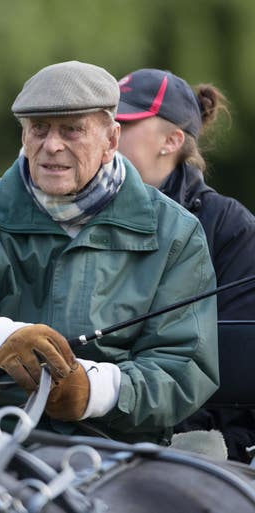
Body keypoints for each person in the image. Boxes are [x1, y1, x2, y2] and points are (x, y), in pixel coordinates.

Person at [0, 60, 219, 446]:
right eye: (39, 129)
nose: (52, 145)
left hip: (120, 445)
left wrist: (95, 392)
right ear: (24, 136)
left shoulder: (176, 233)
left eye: (71, 130)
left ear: (111, 141)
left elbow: (183, 367)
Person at [115, 68, 255, 461]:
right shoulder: (77, 212)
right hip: (88, 416)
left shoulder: (231, 227)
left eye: (123, 122)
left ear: (172, 140)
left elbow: (230, 365)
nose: (107, 132)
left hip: (196, 431)